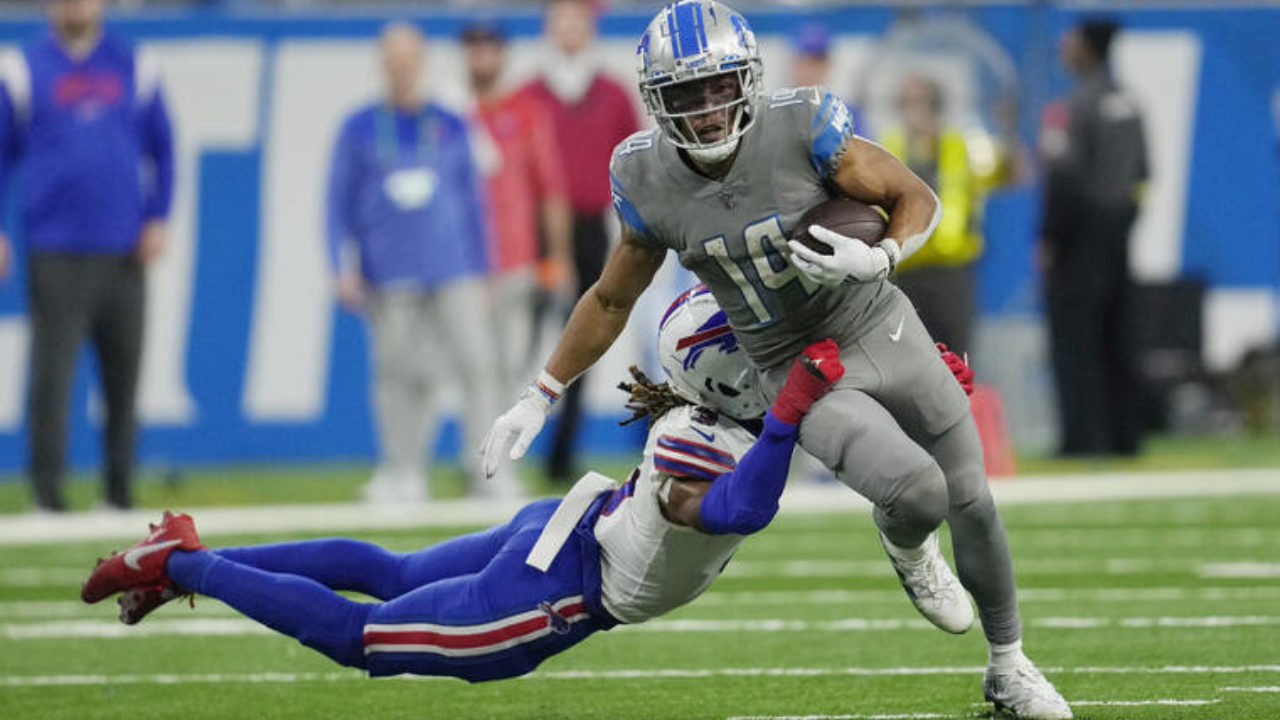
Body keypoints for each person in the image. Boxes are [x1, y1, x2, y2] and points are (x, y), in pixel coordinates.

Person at [483, 3, 1071, 718]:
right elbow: (610, 300)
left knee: (972, 496)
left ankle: (1009, 666)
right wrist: (540, 393)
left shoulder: (804, 126)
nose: (705, 110)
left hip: (879, 322)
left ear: (749, 77)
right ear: (656, 103)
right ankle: (907, 541)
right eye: (685, 95)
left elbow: (913, 196)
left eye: (718, 86)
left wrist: (879, 253)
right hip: (797, 365)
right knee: (920, 493)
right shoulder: (645, 177)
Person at [80, 289, 861, 681]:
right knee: (367, 637)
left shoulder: (720, 415)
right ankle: (182, 563)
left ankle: (183, 553)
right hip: (564, 584)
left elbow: (808, 396)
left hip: (563, 527)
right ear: (732, 376)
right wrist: (790, 410)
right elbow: (737, 507)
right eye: (764, 358)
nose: (779, 362)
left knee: (388, 572)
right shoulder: (703, 439)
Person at [0, 0, 174, 512]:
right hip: (54, 247)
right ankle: (46, 492)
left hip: (122, 249)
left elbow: (162, 147)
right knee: (52, 378)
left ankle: (119, 492)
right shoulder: (22, 67)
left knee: (124, 375)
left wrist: (157, 214)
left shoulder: (134, 63)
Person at [326, 23, 510, 502]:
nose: (402, 69)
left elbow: (474, 200)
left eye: (410, 60)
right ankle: (402, 470)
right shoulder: (359, 126)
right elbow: (336, 203)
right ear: (382, 64)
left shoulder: (450, 122)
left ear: (423, 63)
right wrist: (339, 264)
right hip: (390, 271)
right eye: (394, 60)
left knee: (479, 366)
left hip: (455, 268)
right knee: (398, 375)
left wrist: (486, 265)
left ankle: (486, 471)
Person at [522, 0, 642, 483]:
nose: (569, 27)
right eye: (561, 17)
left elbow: (636, 164)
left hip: (591, 226)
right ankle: (502, 444)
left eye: (577, 17)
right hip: (534, 232)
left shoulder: (612, 93)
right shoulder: (530, 94)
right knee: (516, 342)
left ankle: (559, 454)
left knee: (583, 337)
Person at [1039, 18, 1148, 457]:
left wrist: (1051, 237)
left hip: (1078, 236)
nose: (1065, 45)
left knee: (1075, 338)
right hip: (1119, 231)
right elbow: (1144, 173)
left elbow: (1062, 178)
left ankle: (1084, 439)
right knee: (1118, 334)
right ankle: (1126, 436)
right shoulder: (1129, 102)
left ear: (1086, 48)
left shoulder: (1074, 106)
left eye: (1072, 39)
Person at [461, 20, 574, 402]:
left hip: (515, 258)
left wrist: (557, 257)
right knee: (471, 366)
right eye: (473, 48)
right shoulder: (450, 116)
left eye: (487, 48)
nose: (480, 56)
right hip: (462, 265)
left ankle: (499, 459)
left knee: (510, 361)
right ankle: (477, 456)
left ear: (501, 54)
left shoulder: (526, 112)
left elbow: (551, 190)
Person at [881, 74, 1008, 357]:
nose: (916, 111)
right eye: (908, 103)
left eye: (922, 102)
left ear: (936, 106)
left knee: (957, 358)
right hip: (906, 272)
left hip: (953, 272)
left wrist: (1005, 127)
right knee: (909, 360)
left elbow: (1008, 173)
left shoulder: (963, 147)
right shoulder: (889, 147)